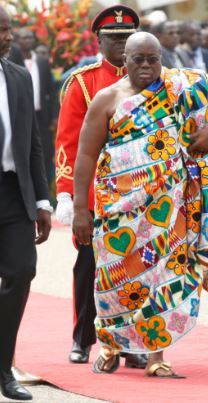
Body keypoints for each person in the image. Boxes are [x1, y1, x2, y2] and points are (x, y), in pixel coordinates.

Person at [73, 32, 208, 377]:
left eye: (153, 58)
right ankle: (110, 346)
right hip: (118, 209)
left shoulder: (180, 86)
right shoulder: (106, 99)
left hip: (169, 208)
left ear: (161, 58)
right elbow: (86, 155)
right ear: (124, 60)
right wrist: (78, 210)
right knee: (113, 282)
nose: (147, 66)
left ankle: (156, 358)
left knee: (163, 279)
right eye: (139, 59)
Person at [55, 4, 147, 369]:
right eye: (114, 39)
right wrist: (68, 195)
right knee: (90, 267)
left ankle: (132, 342)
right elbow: (68, 143)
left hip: (140, 192)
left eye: (126, 39)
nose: (121, 47)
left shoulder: (151, 76)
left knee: (136, 269)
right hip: (97, 195)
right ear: (99, 40)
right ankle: (83, 338)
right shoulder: (83, 82)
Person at [0, 6, 52, 401]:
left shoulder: (18, 77)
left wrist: (43, 199)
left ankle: (4, 370)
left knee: (22, 272)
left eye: (7, 31)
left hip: (13, 194)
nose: (6, 38)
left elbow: (32, 143)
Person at [10, 28, 58, 186]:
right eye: (23, 38)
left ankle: (43, 188)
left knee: (44, 151)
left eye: (30, 37)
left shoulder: (42, 62)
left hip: (41, 116)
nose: (27, 41)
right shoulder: (12, 62)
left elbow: (51, 89)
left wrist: (54, 116)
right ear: (18, 41)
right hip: (20, 115)